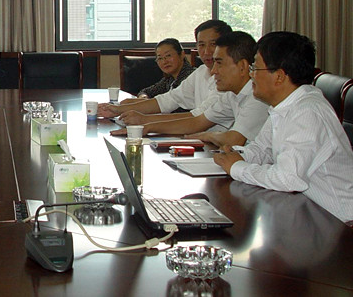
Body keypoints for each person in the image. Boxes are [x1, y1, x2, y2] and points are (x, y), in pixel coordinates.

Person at [214, 32, 353, 224]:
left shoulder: (307, 112)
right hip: (309, 212)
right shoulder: (285, 106)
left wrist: (237, 167)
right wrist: (234, 155)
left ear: (279, 76)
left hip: (341, 224)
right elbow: (262, 149)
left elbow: (289, 179)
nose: (251, 74)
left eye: (255, 68)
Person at [114, 31, 270, 147]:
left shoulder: (258, 97)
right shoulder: (230, 95)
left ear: (242, 66)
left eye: (219, 63)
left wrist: (208, 136)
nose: (214, 70)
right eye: (201, 45)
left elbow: (234, 139)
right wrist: (147, 127)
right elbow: (197, 121)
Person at [99, 20, 232, 125]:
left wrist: (145, 120)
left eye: (213, 44)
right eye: (201, 45)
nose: (207, 51)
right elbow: (168, 100)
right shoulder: (201, 72)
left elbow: (198, 118)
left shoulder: (229, 80)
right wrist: (117, 109)